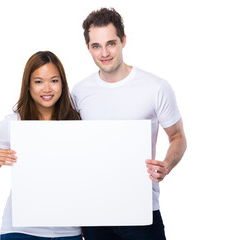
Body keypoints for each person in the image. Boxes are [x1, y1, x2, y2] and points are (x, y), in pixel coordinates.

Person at [71, 8, 187, 240]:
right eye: (96, 46)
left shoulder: (155, 87)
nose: (104, 53)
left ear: (123, 40)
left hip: (142, 213)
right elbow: (76, 150)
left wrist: (167, 164)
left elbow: (178, 137)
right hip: (95, 213)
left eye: (111, 43)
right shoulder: (79, 92)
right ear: (88, 48)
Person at [0, 51, 82, 240]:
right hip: (21, 229)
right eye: (38, 82)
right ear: (28, 85)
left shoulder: (77, 123)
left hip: (68, 230)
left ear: (62, 83)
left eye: (54, 80)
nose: (47, 89)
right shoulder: (14, 122)